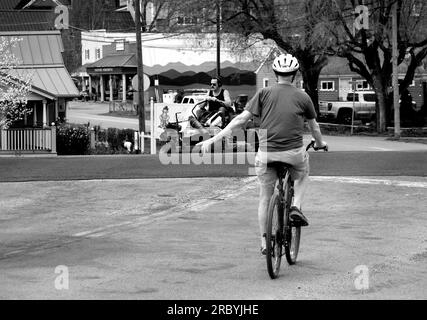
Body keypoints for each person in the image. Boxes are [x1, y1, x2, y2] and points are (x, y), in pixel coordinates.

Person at [197, 53, 327, 255]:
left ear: (275, 74)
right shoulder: (303, 96)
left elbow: (239, 120)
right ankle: (296, 207)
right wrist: (320, 143)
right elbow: (314, 128)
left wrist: (213, 140)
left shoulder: (264, 93)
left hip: (266, 154)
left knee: (265, 198)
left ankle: (265, 242)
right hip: (293, 153)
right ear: (294, 75)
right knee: (301, 174)